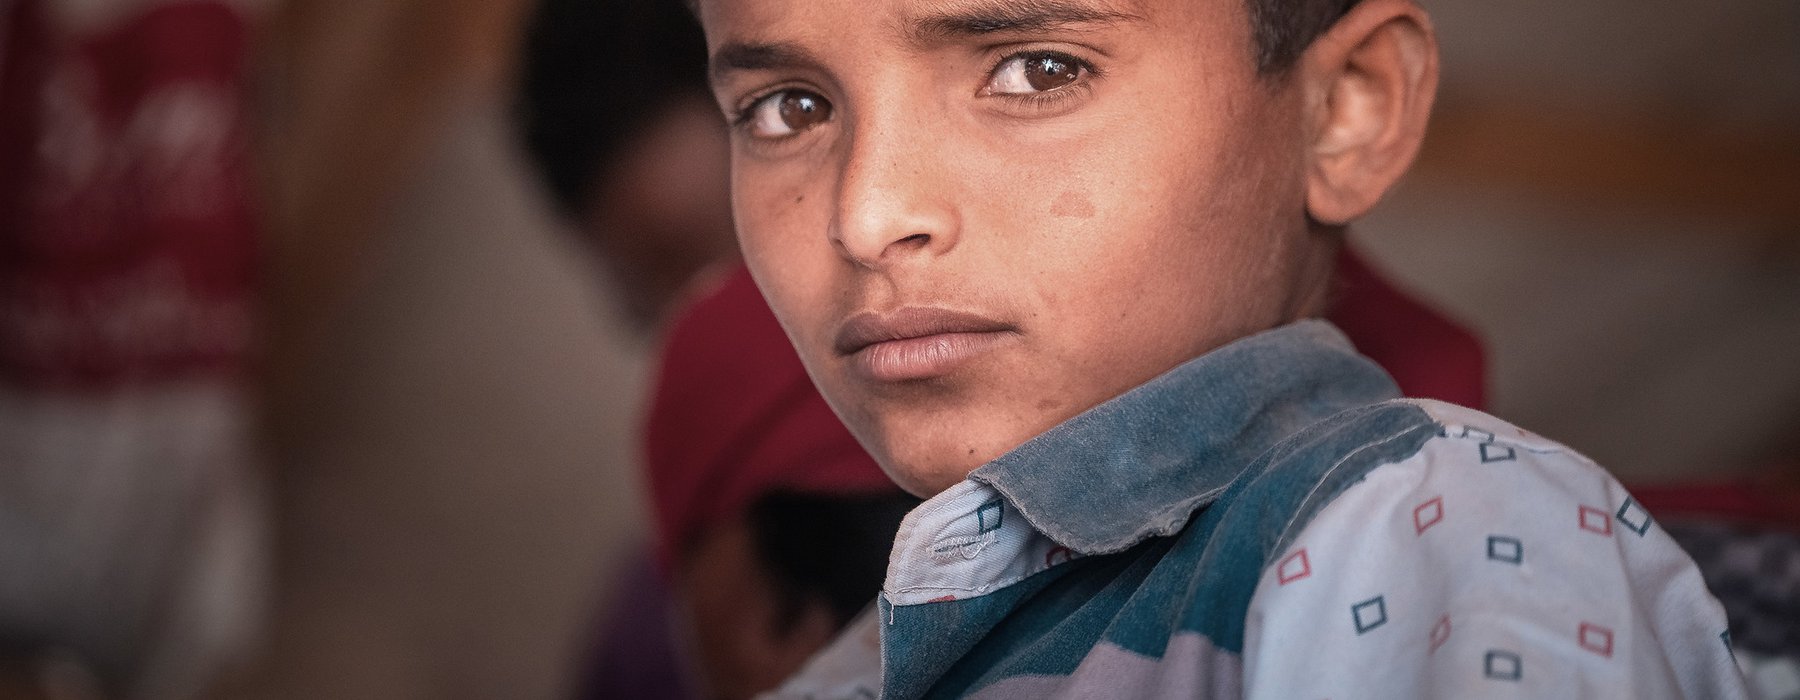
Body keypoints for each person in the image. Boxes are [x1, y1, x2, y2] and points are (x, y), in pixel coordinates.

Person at [688, 0, 1750, 697]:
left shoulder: (1426, 538)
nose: (867, 213)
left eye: (1037, 68)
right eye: (788, 108)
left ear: (1346, 111)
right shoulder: (860, 669)